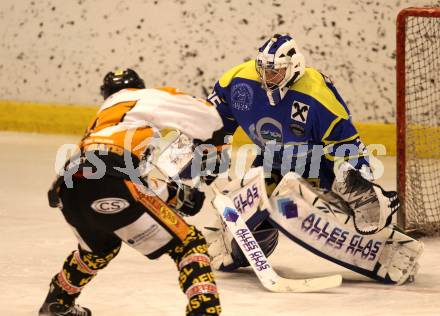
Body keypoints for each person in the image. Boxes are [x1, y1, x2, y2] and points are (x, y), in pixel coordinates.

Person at [202, 34, 422, 284]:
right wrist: (210, 156)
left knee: (351, 196)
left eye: (275, 72)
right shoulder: (238, 81)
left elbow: (347, 144)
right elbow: (214, 122)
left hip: (320, 165)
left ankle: (386, 245)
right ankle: (233, 240)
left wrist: (359, 182)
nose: (266, 79)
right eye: (263, 71)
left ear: (294, 67)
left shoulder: (316, 94)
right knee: (244, 222)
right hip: (273, 162)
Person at [39, 69, 222, 316]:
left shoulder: (103, 120)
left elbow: (131, 184)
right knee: (189, 245)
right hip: (109, 180)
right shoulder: (143, 97)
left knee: (98, 251)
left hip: (68, 187)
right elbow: (209, 115)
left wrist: (173, 195)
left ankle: (57, 302)